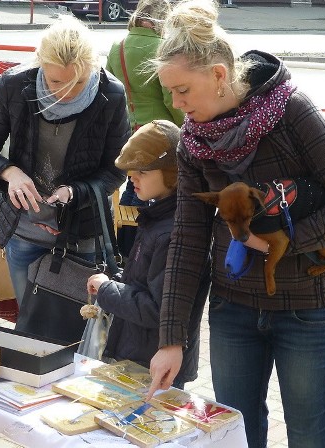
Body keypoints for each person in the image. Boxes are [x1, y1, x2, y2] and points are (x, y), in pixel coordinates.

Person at [146, 1, 325, 447]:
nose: (175, 105)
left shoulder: (292, 111)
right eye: (169, 93)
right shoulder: (194, 143)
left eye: (182, 91)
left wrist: (279, 242)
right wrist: (172, 338)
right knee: (234, 432)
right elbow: (187, 242)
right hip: (232, 312)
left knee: (309, 434)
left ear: (218, 75)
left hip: (307, 308)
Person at [0, 17, 130, 311]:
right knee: (30, 325)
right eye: (55, 81)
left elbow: (117, 168)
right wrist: (8, 172)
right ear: (39, 63)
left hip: (83, 232)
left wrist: (75, 192)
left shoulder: (111, 93)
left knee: (81, 330)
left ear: (93, 67)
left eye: (78, 82)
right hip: (25, 229)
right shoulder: (14, 85)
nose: (65, 93)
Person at [86, 120, 210, 389]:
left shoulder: (171, 231)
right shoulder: (158, 217)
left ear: (171, 173)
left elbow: (158, 310)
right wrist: (116, 278)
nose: (132, 178)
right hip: (140, 353)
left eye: (142, 171)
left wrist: (107, 290)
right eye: (132, 171)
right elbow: (146, 280)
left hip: (152, 363)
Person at [105, 0, 184, 257]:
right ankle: (139, 247)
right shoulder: (162, 49)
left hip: (128, 129)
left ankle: (124, 244)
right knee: (157, 190)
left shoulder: (119, 46)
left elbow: (110, 88)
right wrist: (184, 127)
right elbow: (170, 99)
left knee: (134, 184)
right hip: (158, 132)